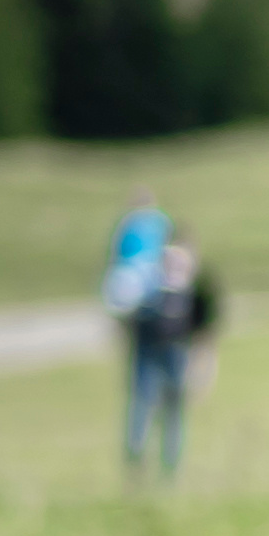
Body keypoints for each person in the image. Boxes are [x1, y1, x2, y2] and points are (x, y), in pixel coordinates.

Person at [108, 199, 209, 483]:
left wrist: (202, 364)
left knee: (168, 409)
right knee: (147, 405)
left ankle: (165, 468)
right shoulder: (150, 278)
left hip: (173, 349)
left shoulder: (188, 285)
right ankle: (140, 463)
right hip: (153, 347)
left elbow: (203, 327)